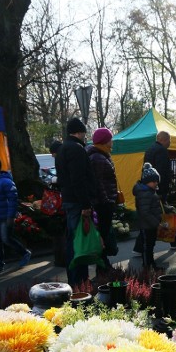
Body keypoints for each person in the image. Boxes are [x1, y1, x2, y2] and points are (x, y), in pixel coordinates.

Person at [55, 117, 97, 286]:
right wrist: (86, 204)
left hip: (69, 199)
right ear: (79, 132)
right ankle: (78, 281)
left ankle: (78, 280)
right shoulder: (76, 149)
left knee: (74, 240)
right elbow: (78, 179)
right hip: (77, 202)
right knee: (78, 242)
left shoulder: (63, 149)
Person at [0, 157, 31, 275]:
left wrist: (11, 217)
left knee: (6, 238)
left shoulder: (6, 182)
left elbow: (13, 200)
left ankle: (24, 253)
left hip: (5, 217)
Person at [143, 130, 176, 248]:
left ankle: (173, 240)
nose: (170, 142)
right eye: (169, 140)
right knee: (165, 214)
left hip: (149, 188)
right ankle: (143, 246)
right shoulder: (161, 151)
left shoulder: (149, 149)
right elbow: (161, 171)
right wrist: (161, 190)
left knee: (156, 215)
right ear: (163, 139)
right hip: (159, 190)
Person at [87, 127, 118, 270]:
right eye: (110, 139)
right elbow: (98, 183)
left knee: (104, 234)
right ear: (105, 141)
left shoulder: (101, 155)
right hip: (102, 204)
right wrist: (107, 201)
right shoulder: (98, 158)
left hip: (105, 202)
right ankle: (103, 266)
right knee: (102, 235)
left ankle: (104, 264)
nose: (112, 142)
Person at [133, 163, 164, 270]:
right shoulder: (145, 193)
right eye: (154, 181)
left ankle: (151, 265)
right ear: (147, 182)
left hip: (150, 224)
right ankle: (147, 267)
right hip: (147, 225)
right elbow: (145, 212)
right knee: (147, 247)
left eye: (157, 181)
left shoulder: (149, 191)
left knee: (150, 246)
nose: (156, 183)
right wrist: (156, 223)